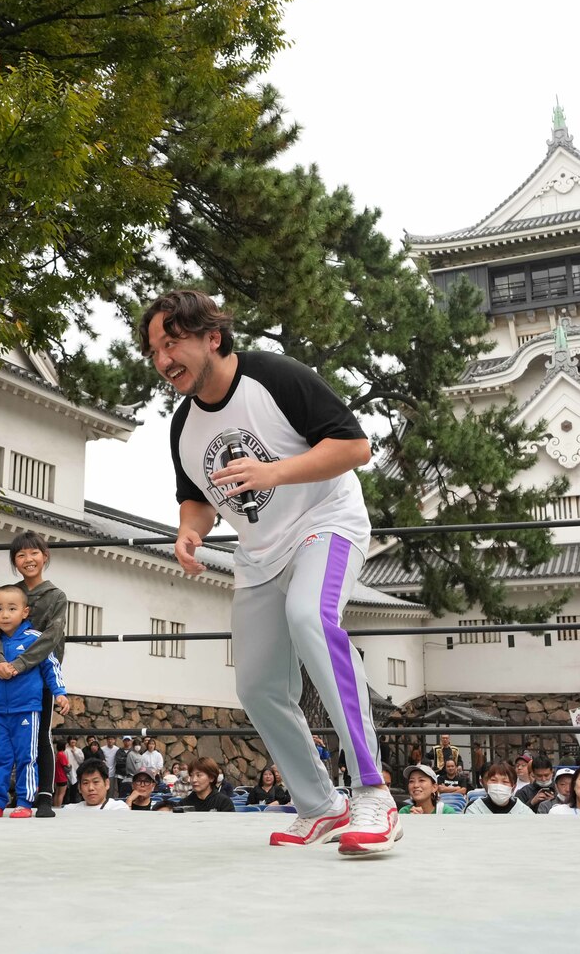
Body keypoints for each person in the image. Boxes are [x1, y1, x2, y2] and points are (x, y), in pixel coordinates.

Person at [143, 290, 395, 854]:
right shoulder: (182, 425)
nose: (164, 360)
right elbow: (198, 499)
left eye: (173, 342)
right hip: (257, 555)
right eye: (155, 351)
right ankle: (321, 806)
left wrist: (275, 472)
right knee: (256, 684)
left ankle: (374, 793)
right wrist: (191, 530)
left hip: (325, 523)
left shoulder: (273, 376)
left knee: (312, 617)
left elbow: (355, 447)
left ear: (212, 337)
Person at [0, 530, 66, 818]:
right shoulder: (10, 592)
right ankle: (0, 799)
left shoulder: (55, 595)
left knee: (39, 738)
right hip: (4, 679)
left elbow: (51, 637)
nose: (28, 559)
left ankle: (41, 797)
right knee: (4, 747)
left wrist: (19, 664)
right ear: (14, 561)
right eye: (20, 555)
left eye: (34, 553)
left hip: (39, 674)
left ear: (45, 556)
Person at [465, 761, 535, 815]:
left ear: (513, 787)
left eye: (505, 782)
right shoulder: (475, 809)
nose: (498, 786)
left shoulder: (523, 811)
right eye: (493, 780)